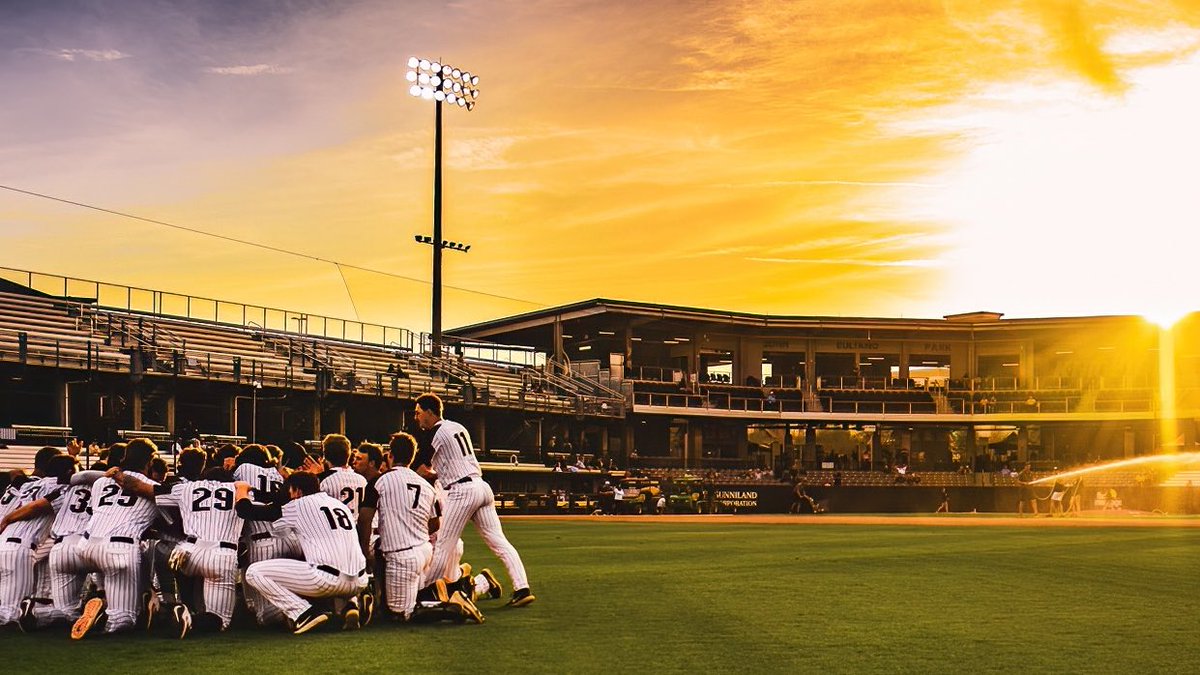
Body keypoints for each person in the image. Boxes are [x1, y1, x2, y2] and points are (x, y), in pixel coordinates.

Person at [412, 393, 535, 608]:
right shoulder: (457, 427)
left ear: (430, 412)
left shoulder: (435, 433)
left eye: (418, 412)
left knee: (443, 546)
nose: (416, 417)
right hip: (481, 486)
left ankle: (428, 593)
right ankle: (522, 587)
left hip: (461, 491)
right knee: (499, 542)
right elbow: (444, 465)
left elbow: (421, 468)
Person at [356, 432, 481, 623]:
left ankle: (453, 605)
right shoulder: (426, 484)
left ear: (390, 455)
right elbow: (434, 524)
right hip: (424, 552)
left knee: (401, 615)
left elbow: (365, 519)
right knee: (411, 599)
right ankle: (439, 592)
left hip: (401, 556)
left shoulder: (380, 480)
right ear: (411, 457)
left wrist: (365, 552)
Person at [236, 471, 368, 635]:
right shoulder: (339, 505)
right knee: (328, 557)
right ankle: (352, 603)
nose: (289, 495)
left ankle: (304, 613)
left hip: (327, 580)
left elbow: (248, 512)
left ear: (297, 491)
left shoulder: (298, 505)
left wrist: (241, 490)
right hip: (360, 580)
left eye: (290, 491)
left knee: (254, 573)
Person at [72, 438, 161, 639]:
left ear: (124, 457)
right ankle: (107, 617)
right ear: (149, 462)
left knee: (110, 567)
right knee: (124, 620)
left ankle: (103, 600)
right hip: (118, 549)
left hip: (85, 546)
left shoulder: (101, 481)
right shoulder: (153, 487)